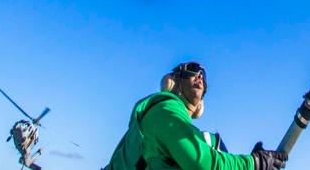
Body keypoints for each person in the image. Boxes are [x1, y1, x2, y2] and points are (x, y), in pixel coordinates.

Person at [103, 61, 288, 170]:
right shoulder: (166, 112)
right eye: (192, 70)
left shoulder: (185, 129)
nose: (200, 76)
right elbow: (202, 162)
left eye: (203, 75)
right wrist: (254, 163)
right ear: (174, 80)